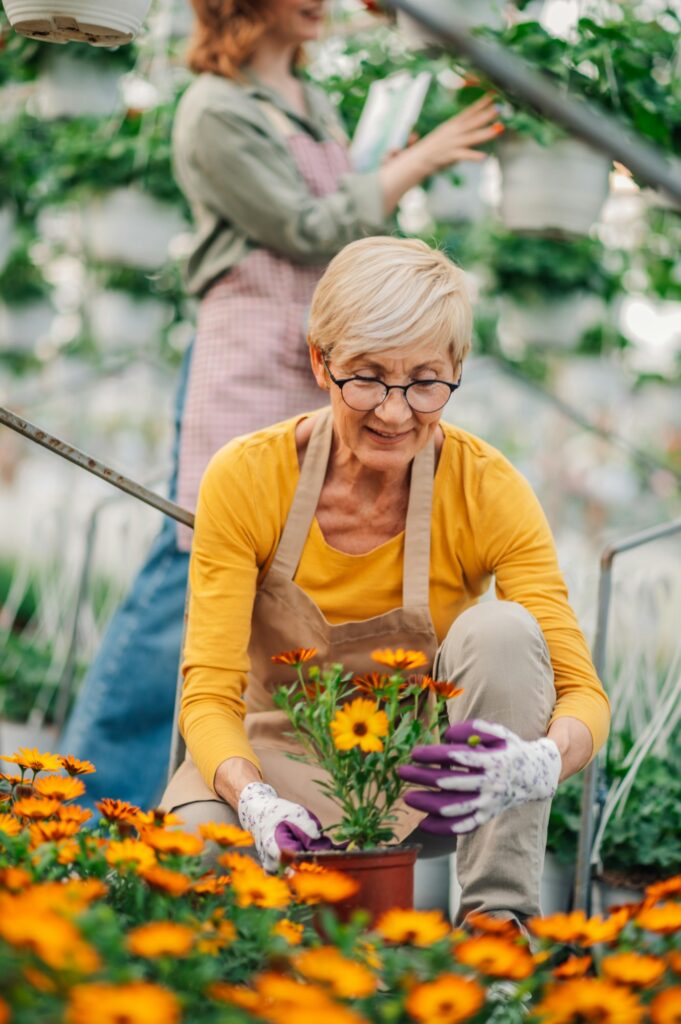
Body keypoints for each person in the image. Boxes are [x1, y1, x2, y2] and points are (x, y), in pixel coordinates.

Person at [60, 0, 502, 810]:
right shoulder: (212, 110)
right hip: (249, 355)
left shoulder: (310, 98)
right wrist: (419, 161)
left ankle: (244, 789)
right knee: (193, 566)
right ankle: (84, 804)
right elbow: (305, 229)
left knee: (277, 578)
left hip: (331, 359)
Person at [162, 236, 610, 925]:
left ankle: (497, 933)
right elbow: (207, 691)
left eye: (425, 381)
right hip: (273, 759)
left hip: (423, 782)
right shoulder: (248, 476)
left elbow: (582, 692)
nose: (394, 411)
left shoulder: (486, 488)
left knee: (504, 630)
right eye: (366, 376)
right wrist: (250, 798)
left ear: (456, 368)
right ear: (320, 360)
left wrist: (536, 763)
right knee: (192, 849)